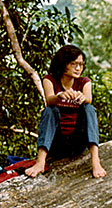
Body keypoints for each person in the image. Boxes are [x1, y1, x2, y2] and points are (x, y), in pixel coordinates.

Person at [25, 45, 106, 178]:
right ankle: (40, 161)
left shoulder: (84, 82)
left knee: (89, 108)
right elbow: (49, 100)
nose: (78, 68)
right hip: (57, 143)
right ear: (63, 64)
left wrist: (83, 98)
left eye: (81, 64)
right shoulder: (49, 80)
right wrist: (59, 96)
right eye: (74, 64)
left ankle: (95, 161)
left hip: (77, 142)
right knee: (50, 110)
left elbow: (89, 99)